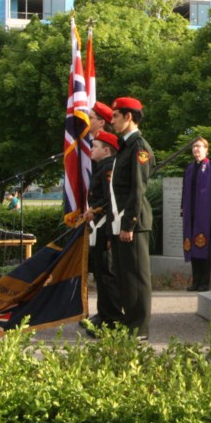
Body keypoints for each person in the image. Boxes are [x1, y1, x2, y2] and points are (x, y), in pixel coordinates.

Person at [108, 97, 156, 340]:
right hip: (121, 223)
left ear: (129, 117)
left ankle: (140, 328)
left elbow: (137, 190)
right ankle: (130, 323)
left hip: (133, 225)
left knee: (136, 277)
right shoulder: (125, 146)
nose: (112, 119)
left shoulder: (139, 147)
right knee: (125, 276)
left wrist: (128, 224)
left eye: (116, 115)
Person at [81, 130, 122, 330]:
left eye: (95, 146)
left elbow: (110, 201)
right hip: (97, 224)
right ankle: (104, 314)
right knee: (100, 274)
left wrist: (106, 231)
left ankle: (112, 318)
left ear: (106, 150)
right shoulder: (101, 167)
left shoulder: (108, 169)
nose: (91, 149)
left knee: (106, 275)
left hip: (104, 226)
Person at [181, 137, 211, 292]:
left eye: (199, 146)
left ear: (206, 149)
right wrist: (182, 209)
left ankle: (205, 282)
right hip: (190, 214)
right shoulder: (189, 168)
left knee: (204, 247)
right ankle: (196, 281)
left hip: (206, 216)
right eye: (194, 147)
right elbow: (185, 191)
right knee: (192, 247)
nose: (196, 149)